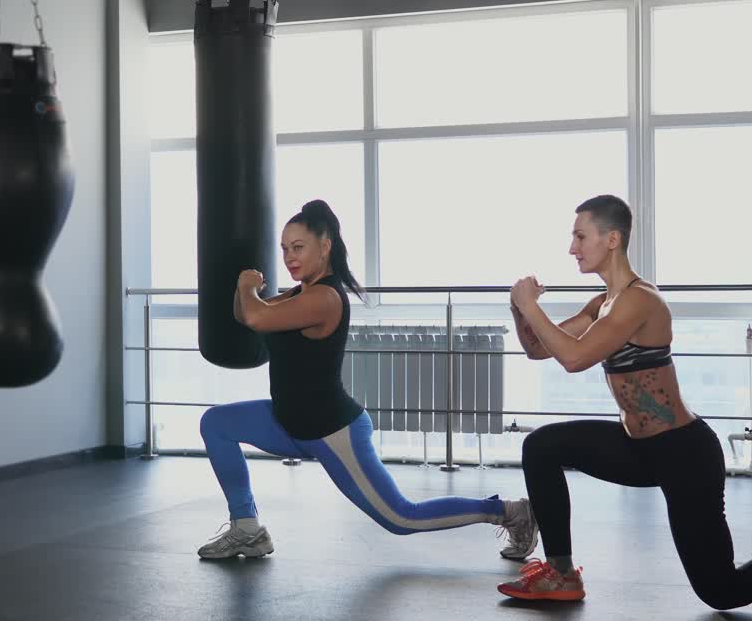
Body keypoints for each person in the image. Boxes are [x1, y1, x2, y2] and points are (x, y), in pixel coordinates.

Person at [496, 194, 752, 614]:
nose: (572, 248)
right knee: (541, 447)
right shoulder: (602, 304)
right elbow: (540, 349)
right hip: (637, 448)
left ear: (611, 239)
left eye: (579, 236)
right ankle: (561, 572)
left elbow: (573, 358)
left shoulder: (639, 300)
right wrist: (520, 309)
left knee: (721, 589)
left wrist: (532, 305)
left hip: (684, 452)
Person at [197, 199, 537, 561]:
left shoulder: (326, 298)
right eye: (284, 249)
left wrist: (247, 285)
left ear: (324, 246)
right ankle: (247, 528)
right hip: (287, 423)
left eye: (298, 247)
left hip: (331, 432)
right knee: (216, 424)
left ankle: (512, 512)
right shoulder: (298, 294)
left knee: (402, 517)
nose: (289, 257)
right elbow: (245, 313)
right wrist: (242, 286)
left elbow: (256, 318)